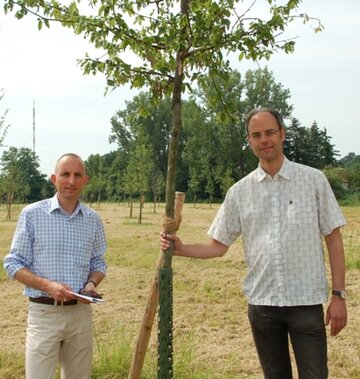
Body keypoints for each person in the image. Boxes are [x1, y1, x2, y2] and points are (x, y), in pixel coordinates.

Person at [160, 108, 347, 379]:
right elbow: (218, 245)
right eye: (256, 135)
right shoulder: (239, 192)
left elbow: (333, 237)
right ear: (250, 141)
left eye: (270, 132)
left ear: (282, 134)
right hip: (263, 307)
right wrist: (182, 248)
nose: (264, 140)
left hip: (306, 303)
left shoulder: (313, 181)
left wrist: (338, 295)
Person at [3, 153, 107, 379]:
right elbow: (12, 263)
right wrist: (47, 285)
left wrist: (91, 285)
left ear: (86, 180)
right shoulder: (32, 214)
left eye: (77, 175)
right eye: (65, 174)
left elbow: (98, 262)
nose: (71, 181)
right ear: (53, 178)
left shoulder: (93, 219)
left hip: (80, 314)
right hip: (43, 313)